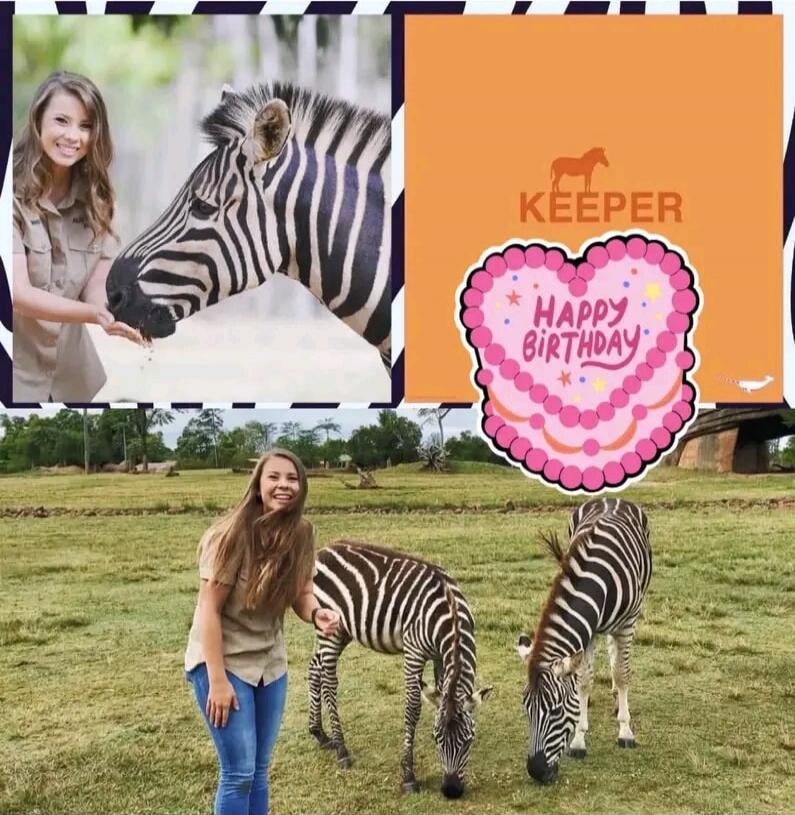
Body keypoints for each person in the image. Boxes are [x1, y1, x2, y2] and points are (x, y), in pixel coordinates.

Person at [184, 449, 339, 815]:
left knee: (259, 771)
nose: (284, 485)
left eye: (292, 478)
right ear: (257, 485)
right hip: (223, 662)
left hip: (270, 666)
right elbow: (209, 610)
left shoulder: (301, 534)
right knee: (238, 773)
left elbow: (302, 593)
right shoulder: (229, 537)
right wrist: (217, 682)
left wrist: (316, 613)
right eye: (274, 477)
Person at [12, 70, 142, 402]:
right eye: (62, 121)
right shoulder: (7, 195)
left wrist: (112, 312)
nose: (73, 136)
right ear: (38, 118)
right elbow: (17, 293)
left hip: (73, 380)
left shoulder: (99, 199)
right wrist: (92, 316)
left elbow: (95, 284)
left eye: (85, 126)